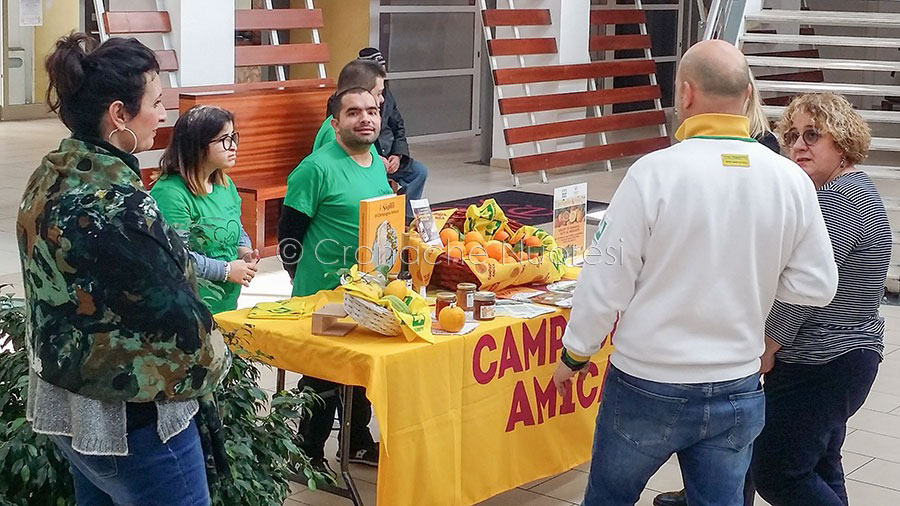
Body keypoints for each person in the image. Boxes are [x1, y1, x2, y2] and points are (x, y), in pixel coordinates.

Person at [551, 40, 839, 506]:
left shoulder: (653, 173)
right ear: (748, 95)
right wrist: (756, 281)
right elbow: (819, 285)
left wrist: (575, 354)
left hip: (647, 382)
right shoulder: (789, 180)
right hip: (737, 384)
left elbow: (606, 280)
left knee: (609, 498)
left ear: (685, 94)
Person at [18, 33, 230, 505]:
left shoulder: (46, 180)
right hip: (136, 428)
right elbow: (187, 331)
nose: (163, 115)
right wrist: (220, 357)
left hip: (70, 413)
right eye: (156, 103)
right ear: (119, 115)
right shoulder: (123, 207)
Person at [750, 93, 890, 506]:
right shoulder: (853, 189)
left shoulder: (838, 201)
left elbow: (801, 292)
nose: (798, 146)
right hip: (845, 357)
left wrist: (768, 346)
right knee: (821, 465)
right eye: (791, 135)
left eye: (812, 135)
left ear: (842, 142)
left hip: (823, 362)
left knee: (778, 474)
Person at [653, 71, 781, 506]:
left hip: (721, 343)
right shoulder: (772, 166)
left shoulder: (763, 155)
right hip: (731, 349)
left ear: (687, 95)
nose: (799, 147)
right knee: (721, 464)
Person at [278, 87, 394, 473]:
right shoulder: (315, 168)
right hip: (323, 293)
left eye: (372, 111)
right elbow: (289, 233)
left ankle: (356, 441)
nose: (366, 119)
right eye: (354, 112)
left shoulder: (375, 160)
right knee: (323, 376)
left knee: (357, 368)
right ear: (335, 122)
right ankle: (307, 453)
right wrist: (303, 283)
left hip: (366, 289)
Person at [151, 105, 259, 314]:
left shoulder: (224, 184)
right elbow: (177, 257)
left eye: (233, 137)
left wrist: (244, 252)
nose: (233, 146)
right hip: (188, 307)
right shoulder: (170, 193)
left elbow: (235, 226)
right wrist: (226, 270)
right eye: (224, 140)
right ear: (198, 146)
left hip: (225, 303)